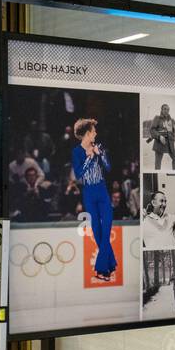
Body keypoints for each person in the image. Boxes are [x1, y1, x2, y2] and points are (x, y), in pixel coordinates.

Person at [70, 118, 117, 281]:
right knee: (97, 230)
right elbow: (78, 174)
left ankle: (100, 267)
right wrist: (89, 158)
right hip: (89, 192)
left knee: (107, 227)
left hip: (102, 190)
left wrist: (100, 154)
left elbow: (108, 167)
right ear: (87, 134)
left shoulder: (99, 147)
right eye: (93, 131)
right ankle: (110, 265)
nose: (96, 133)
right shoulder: (76, 152)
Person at [148, 104, 175, 170]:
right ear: (161, 110)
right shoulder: (157, 118)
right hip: (159, 143)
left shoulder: (170, 120)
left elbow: (172, 131)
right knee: (158, 163)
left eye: (168, 109)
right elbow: (152, 129)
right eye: (165, 109)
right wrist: (159, 136)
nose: (166, 111)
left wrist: (174, 136)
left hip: (169, 144)